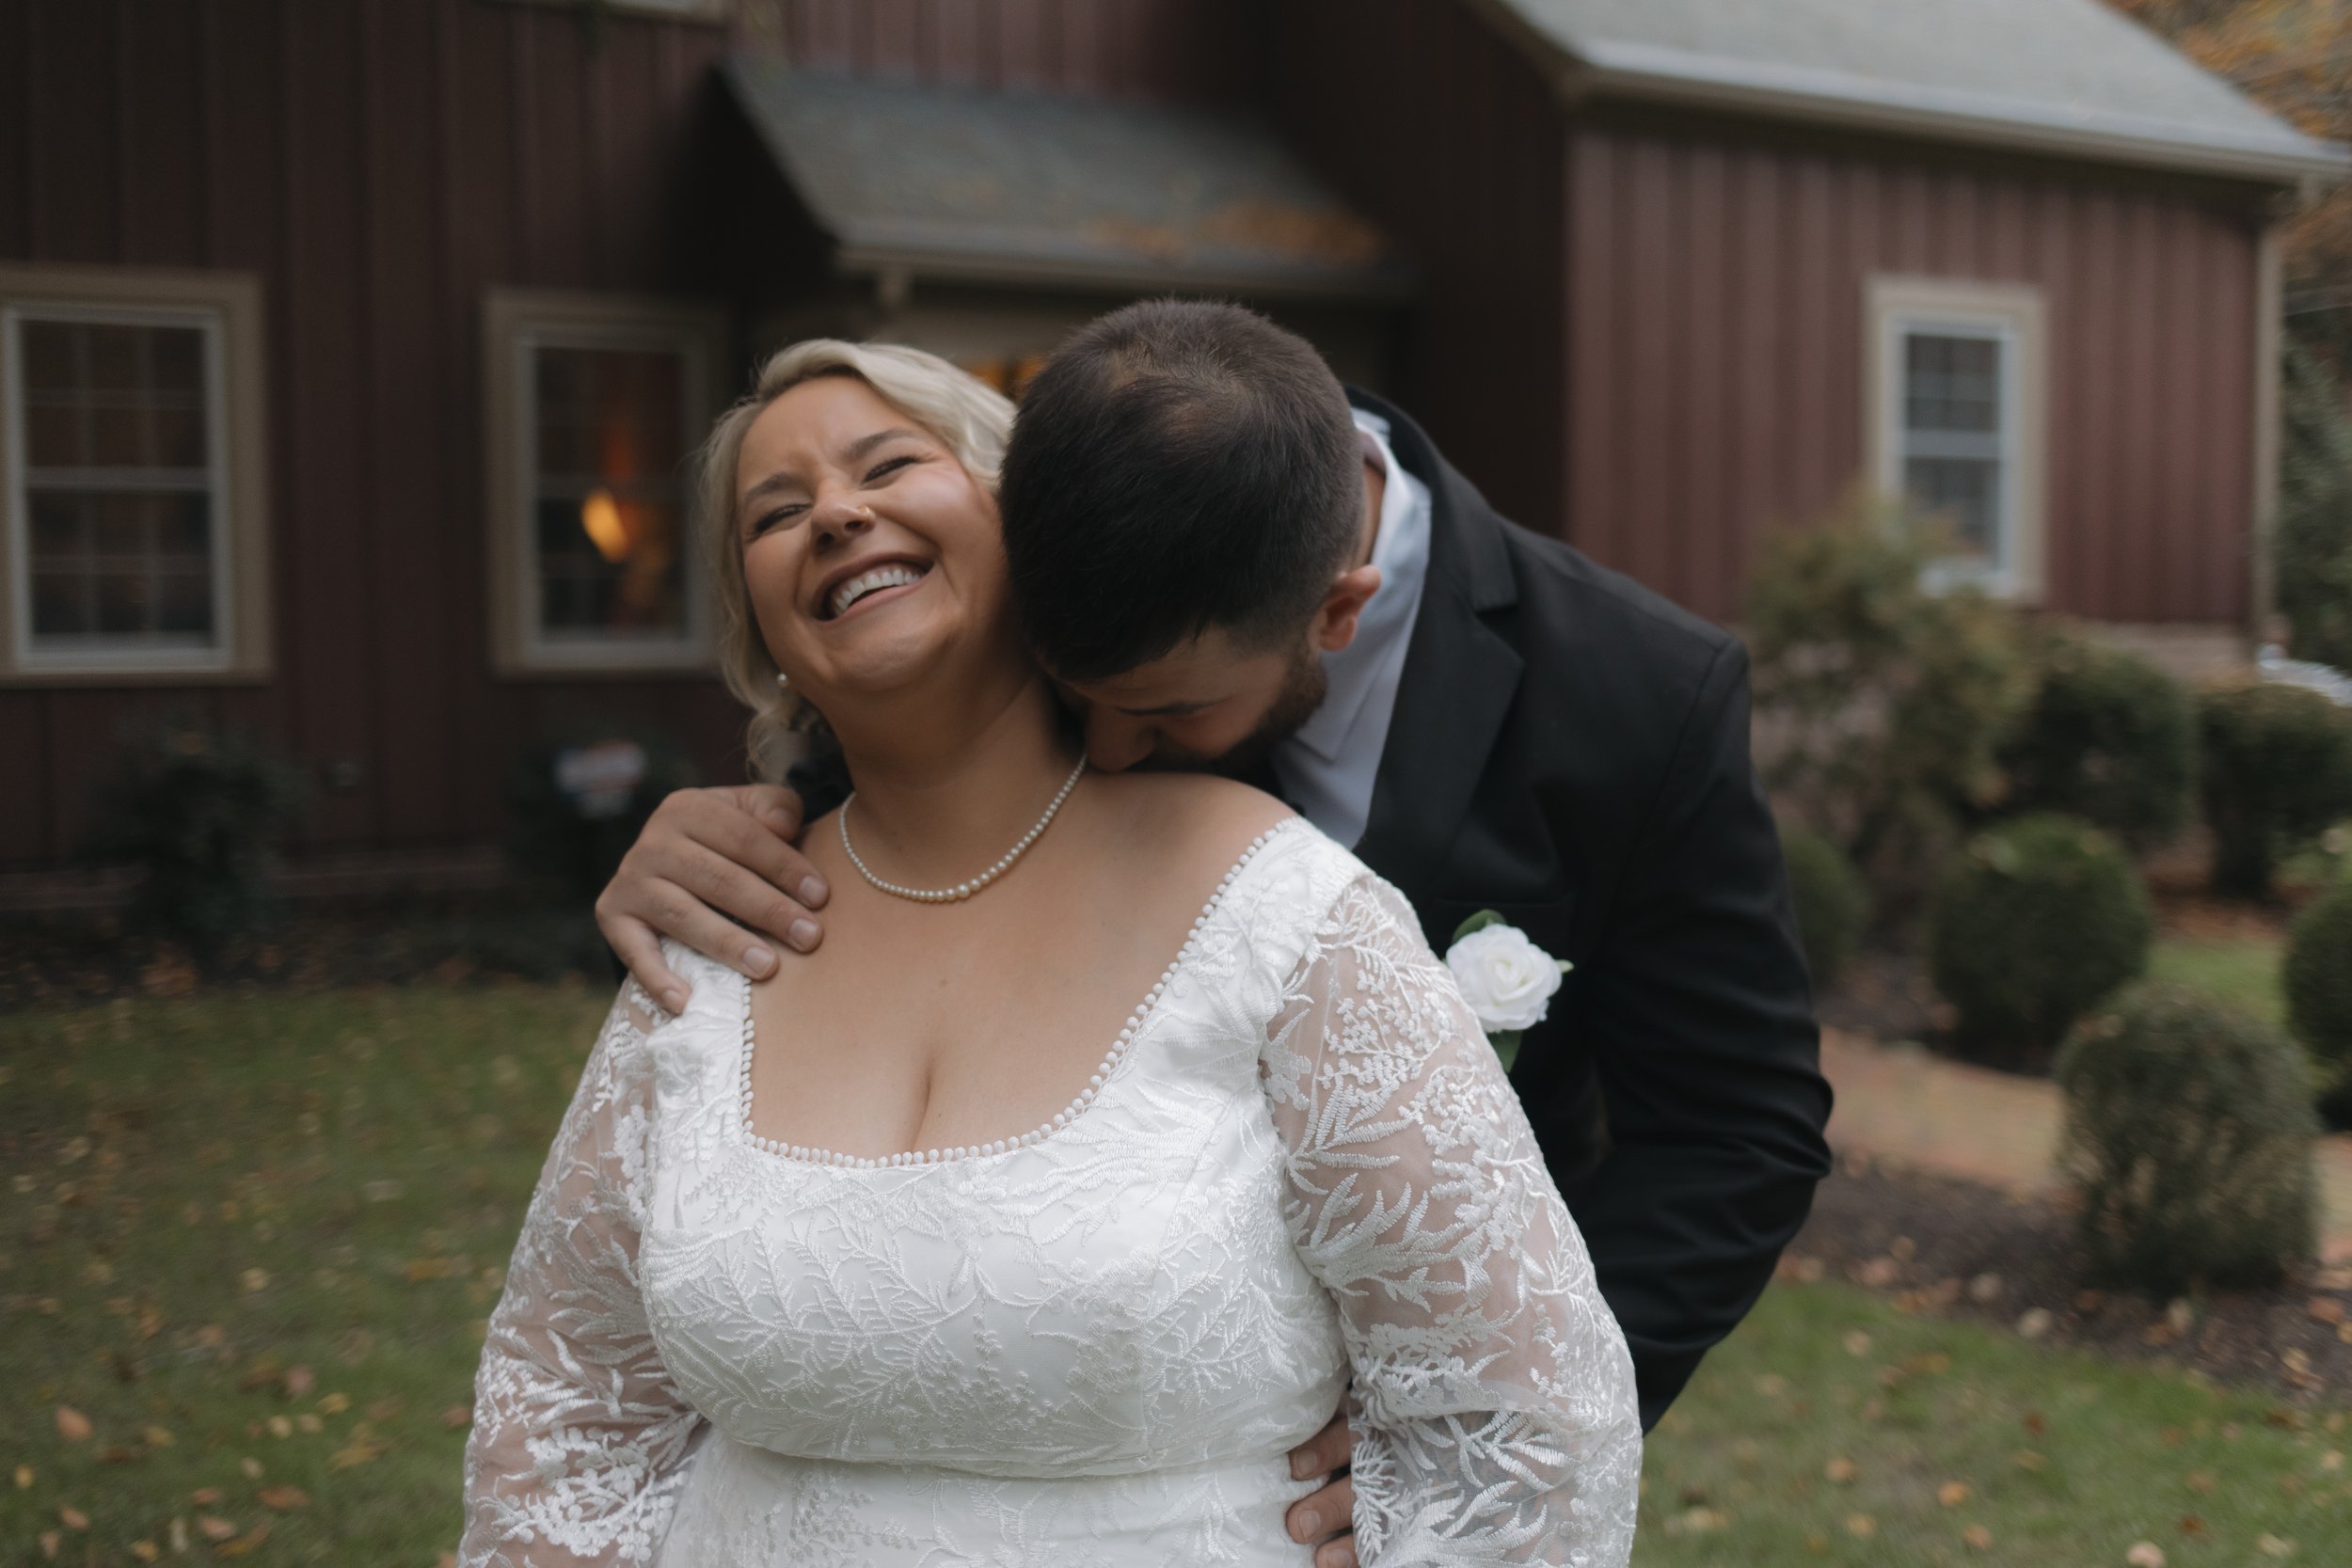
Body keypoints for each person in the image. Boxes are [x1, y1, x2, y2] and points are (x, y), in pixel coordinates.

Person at [596, 301, 1835, 1560]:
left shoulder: (1637, 696)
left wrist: (1494, 1434)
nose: (1115, 752)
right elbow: (928, 743)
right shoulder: (1122, 465)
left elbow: (1736, 1125)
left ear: (1338, 614)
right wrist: (728, 829)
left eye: (1164, 712)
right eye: (1081, 701)